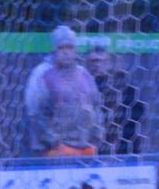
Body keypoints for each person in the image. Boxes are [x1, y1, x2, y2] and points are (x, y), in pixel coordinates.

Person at [25, 25, 102, 157]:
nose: (66, 52)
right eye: (62, 48)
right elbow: (34, 113)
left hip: (86, 148)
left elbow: (97, 106)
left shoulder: (84, 73)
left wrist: (97, 136)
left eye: (69, 47)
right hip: (56, 151)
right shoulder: (42, 74)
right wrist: (53, 142)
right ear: (54, 49)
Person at [86, 46, 145, 155]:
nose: (97, 65)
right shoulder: (83, 86)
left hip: (120, 148)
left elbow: (135, 118)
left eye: (102, 61)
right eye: (93, 61)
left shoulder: (125, 87)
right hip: (89, 147)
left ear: (110, 63)